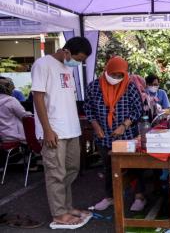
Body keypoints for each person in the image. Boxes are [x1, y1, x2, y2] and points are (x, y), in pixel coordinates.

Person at [31, 37, 92, 229]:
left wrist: (77, 127)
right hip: (54, 131)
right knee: (56, 173)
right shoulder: (42, 64)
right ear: (66, 51)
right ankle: (58, 214)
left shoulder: (67, 68)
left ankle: (66, 206)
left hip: (71, 129)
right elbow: (38, 98)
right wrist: (47, 130)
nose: (80, 63)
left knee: (72, 169)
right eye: (79, 58)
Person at [84, 57, 145, 211]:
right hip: (103, 136)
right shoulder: (93, 87)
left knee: (134, 166)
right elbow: (88, 108)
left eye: (120, 76)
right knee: (109, 167)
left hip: (127, 136)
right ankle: (110, 197)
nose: (116, 78)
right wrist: (95, 125)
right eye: (114, 75)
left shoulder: (130, 86)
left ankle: (139, 196)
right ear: (107, 70)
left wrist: (124, 125)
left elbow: (138, 110)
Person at [0, 78, 31, 144]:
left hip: (2, 138)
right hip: (14, 137)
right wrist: (30, 113)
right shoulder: (10, 100)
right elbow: (24, 116)